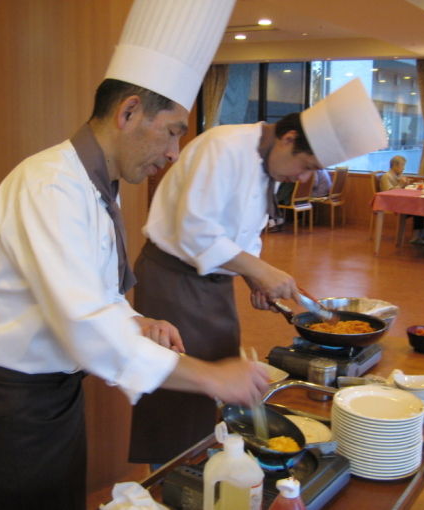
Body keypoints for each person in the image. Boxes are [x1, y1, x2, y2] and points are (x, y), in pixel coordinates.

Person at [0, 2, 269, 510]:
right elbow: (83, 324)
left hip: (56, 401)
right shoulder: (51, 185)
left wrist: (136, 320)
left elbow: (89, 293)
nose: (172, 154)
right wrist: (210, 374)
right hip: (12, 410)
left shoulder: (98, 185)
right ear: (128, 112)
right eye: (171, 131)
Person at [128, 78, 388, 465]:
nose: (302, 179)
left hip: (212, 286)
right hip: (173, 282)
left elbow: (239, 234)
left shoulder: (267, 160)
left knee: (219, 377)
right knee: (178, 389)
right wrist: (260, 268)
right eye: (306, 167)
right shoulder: (224, 147)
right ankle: (169, 476)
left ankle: (204, 460)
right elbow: (195, 230)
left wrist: (251, 276)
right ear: (287, 138)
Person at [380, 155, 424, 244]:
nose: (404, 168)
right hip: (391, 204)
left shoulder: (398, 175)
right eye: (402, 166)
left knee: (421, 208)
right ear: (395, 165)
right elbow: (388, 193)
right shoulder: (386, 176)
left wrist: (406, 184)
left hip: (400, 202)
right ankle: (416, 236)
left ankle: (420, 234)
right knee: (417, 209)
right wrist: (401, 184)